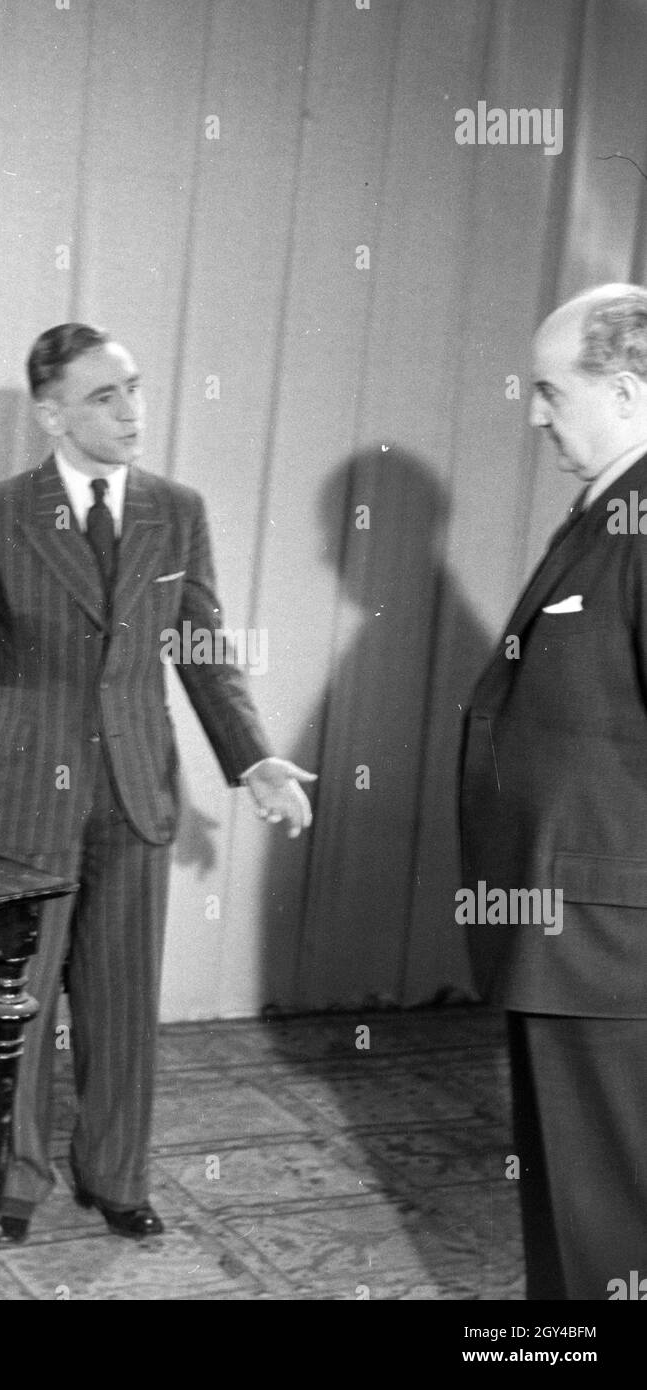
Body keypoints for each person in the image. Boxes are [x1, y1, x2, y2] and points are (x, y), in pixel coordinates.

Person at [0, 323, 316, 1240]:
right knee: (17, 1000)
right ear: (51, 412)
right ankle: (13, 1184)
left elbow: (203, 650)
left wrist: (252, 755)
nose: (132, 410)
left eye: (134, 388)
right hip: (29, 789)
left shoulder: (174, 510)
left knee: (121, 998)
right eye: (104, 396)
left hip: (136, 788)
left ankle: (117, 1177)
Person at [460, 283, 647, 1300]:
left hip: (614, 945)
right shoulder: (609, 512)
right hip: (571, 937)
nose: (533, 414)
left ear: (623, 391)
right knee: (576, 1227)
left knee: (608, 1228)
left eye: (548, 390)